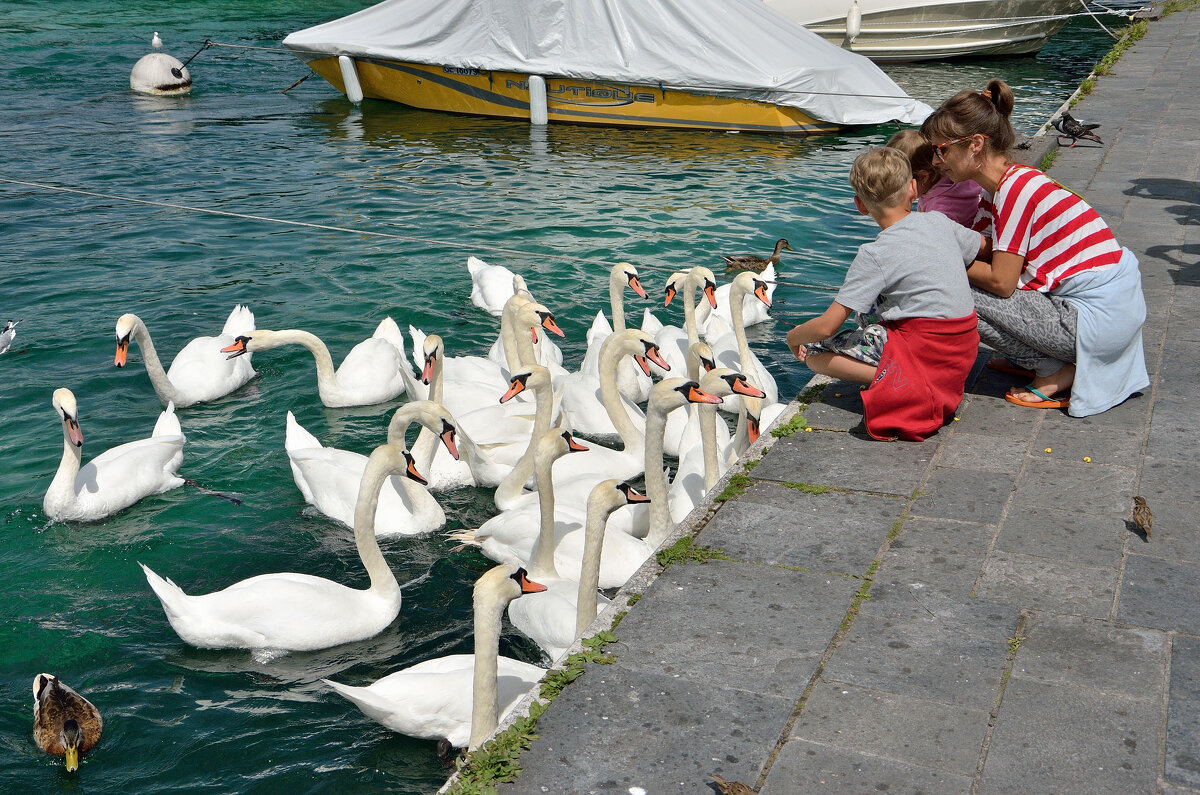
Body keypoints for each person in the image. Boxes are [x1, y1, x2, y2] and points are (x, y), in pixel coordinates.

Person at [920, 78, 1148, 416]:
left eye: (942, 150)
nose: (938, 162)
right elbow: (987, 248)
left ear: (975, 145)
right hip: (1111, 318)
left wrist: (940, 258)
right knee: (950, 274)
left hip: (1092, 325)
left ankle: (1052, 367)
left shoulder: (1014, 191)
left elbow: (1002, 281)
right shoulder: (1009, 184)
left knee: (945, 286)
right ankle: (1046, 359)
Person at [785, 147, 987, 441]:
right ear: (913, 188)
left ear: (860, 205)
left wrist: (794, 337)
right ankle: (902, 372)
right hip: (963, 349)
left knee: (814, 351)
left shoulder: (874, 253)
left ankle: (897, 378)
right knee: (872, 307)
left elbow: (828, 326)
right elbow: (982, 246)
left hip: (921, 351)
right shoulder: (938, 221)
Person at [886, 129, 986, 230]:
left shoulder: (941, 210)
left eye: (898, 184)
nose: (894, 190)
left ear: (924, 177)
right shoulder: (956, 183)